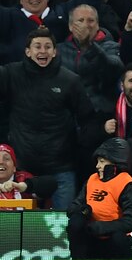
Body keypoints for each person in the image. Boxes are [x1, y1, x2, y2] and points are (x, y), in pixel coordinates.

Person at [0, 27, 96, 209]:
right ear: (28, 51)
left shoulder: (70, 81)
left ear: (54, 51)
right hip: (22, 169)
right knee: (21, 228)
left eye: (47, 47)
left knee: (60, 230)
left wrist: (77, 146)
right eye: (37, 46)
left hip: (61, 169)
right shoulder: (11, 74)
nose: (42, 51)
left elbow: (87, 119)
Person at [66, 138, 132, 260]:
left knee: (118, 237)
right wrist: (84, 211)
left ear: (115, 161)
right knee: (75, 221)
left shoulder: (126, 183)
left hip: (113, 239)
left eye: (101, 161)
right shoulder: (92, 179)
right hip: (91, 235)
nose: (97, 166)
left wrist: (104, 227)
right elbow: (72, 208)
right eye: (97, 161)